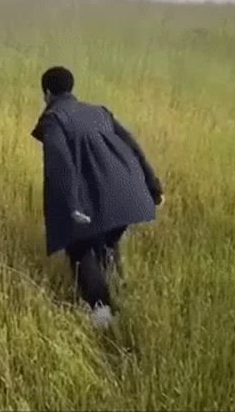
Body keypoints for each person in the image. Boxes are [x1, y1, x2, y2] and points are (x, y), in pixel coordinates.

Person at [31, 66, 164, 329]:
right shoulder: (99, 111)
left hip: (94, 198)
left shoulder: (54, 119)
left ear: (46, 93)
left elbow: (59, 164)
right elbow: (133, 146)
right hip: (125, 191)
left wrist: (72, 205)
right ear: (71, 88)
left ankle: (103, 315)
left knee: (80, 250)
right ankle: (123, 303)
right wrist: (153, 185)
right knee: (108, 246)